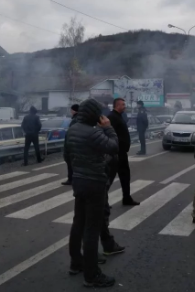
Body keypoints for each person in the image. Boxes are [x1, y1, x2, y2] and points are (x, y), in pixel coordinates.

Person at [68, 98, 119, 288]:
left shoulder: (73, 129)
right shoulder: (93, 132)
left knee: (78, 223)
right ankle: (92, 274)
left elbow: (67, 154)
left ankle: (76, 262)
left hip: (78, 180)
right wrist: (109, 128)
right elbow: (113, 147)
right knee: (91, 229)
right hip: (94, 182)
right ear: (93, 114)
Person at [109, 99, 140, 206]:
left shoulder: (118, 116)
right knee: (109, 178)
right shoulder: (112, 117)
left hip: (122, 152)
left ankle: (126, 198)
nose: (125, 106)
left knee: (125, 176)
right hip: (116, 152)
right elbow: (109, 134)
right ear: (117, 105)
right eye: (123, 104)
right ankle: (102, 202)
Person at [62, 104, 79, 186]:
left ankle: (71, 179)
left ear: (74, 110)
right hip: (77, 144)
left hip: (72, 145)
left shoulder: (75, 120)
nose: (70, 111)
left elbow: (71, 133)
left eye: (71, 110)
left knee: (70, 162)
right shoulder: (79, 119)